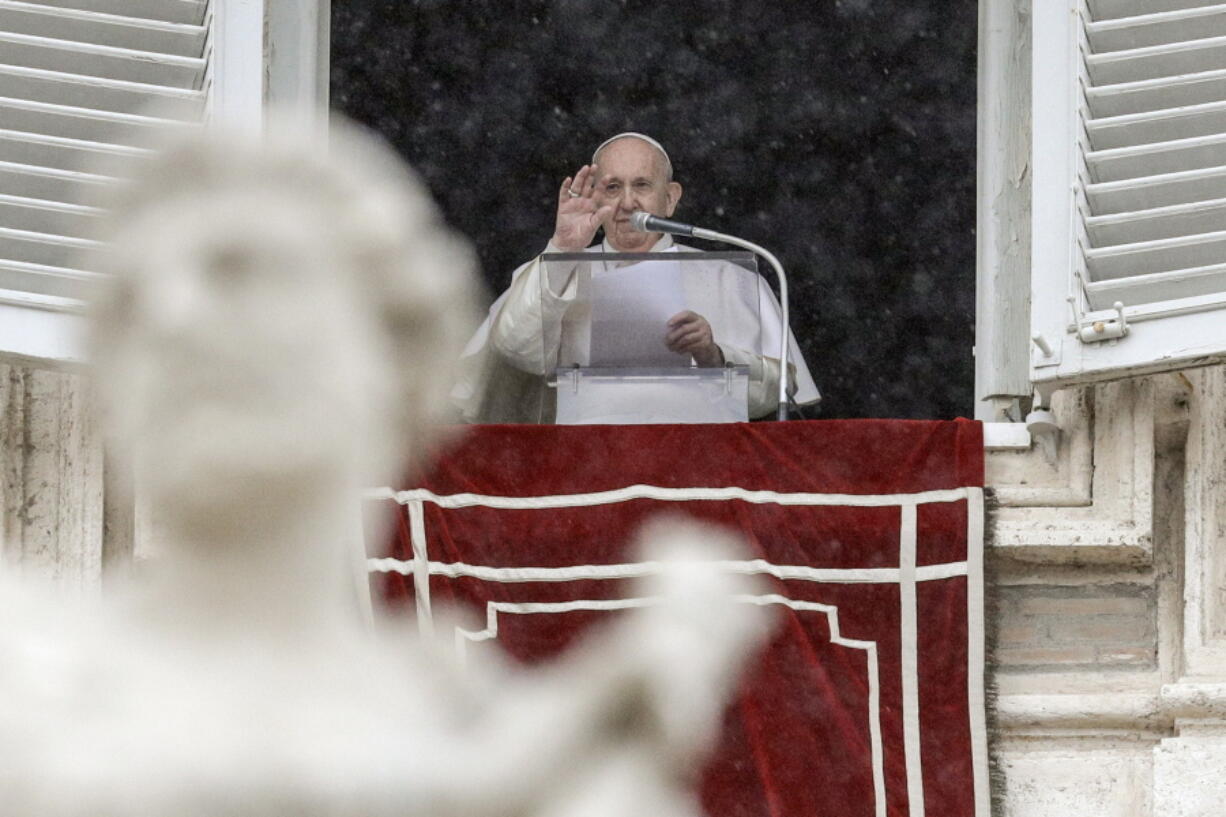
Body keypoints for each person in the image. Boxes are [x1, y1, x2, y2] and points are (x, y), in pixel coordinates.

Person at [451, 133, 819, 423]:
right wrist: (563, 249)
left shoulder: (729, 277)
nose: (627, 202)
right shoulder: (558, 268)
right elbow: (515, 349)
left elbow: (779, 390)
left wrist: (712, 354)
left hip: (699, 467)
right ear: (595, 199)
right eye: (612, 188)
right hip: (586, 466)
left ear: (670, 199)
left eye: (642, 185)